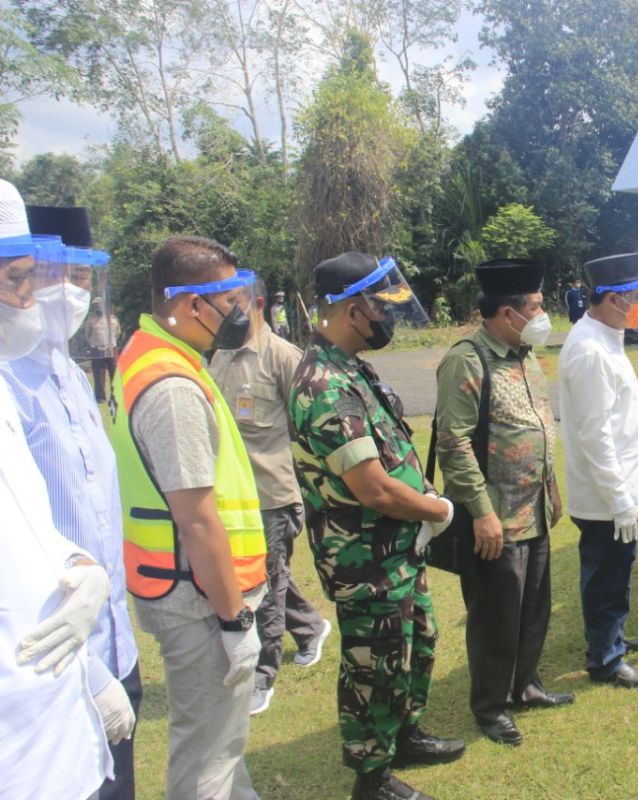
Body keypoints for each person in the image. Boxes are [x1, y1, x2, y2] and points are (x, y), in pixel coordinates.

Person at [289, 252, 462, 800]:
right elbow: (375, 489)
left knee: (417, 643)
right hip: (366, 559)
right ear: (352, 308)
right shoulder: (324, 384)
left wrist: (425, 497)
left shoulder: (350, 366)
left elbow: (391, 456)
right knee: (375, 665)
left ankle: (404, 735)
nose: (388, 319)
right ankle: (372, 777)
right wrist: (438, 510)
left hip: (397, 550)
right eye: (381, 309)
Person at [109, 235, 268, 799]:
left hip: (186, 591)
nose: (239, 311)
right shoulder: (173, 386)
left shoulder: (153, 357)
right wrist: (235, 621)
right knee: (206, 759)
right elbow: (197, 520)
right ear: (188, 305)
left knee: (223, 748)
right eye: (227, 298)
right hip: (199, 603)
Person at [1, 203, 140, 800]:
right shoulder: (12, 381)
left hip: (109, 632)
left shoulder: (73, 374)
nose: (67, 294)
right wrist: (88, 665)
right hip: (53, 657)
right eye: (26, 278)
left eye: (87, 279)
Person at [434, 258, 571, 747]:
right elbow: (454, 444)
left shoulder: (524, 353)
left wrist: (550, 488)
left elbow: (537, 423)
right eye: (534, 306)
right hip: (494, 519)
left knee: (533, 606)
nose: (542, 313)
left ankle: (526, 684)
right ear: (506, 313)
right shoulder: (467, 360)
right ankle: (490, 707)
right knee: (496, 617)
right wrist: (483, 514)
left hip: (531, 508)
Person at [210, 279, 332, 716]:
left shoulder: (283, 356)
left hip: (272, 495)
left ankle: (264, 676)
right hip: (230, 500)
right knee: (266, 575)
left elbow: (314, 426)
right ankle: (311, 627)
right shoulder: (219, 355)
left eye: (232, 303)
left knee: (267, 586)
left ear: (256, 304)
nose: (223, 312)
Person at [559, 252, 638, 690]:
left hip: (619, 486)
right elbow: (594, 435)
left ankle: (611, 638)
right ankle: (605, 658)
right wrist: (619, 500)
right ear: (615, 300)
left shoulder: (606, 336)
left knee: (617, 571)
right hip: (605, 495)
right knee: (605, 576)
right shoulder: (590, 350)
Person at [85, 296, 121, 402]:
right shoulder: (91, 321)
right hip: (97, 349)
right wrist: (94, 344)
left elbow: (118, 333)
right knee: (98, 375)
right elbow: (87, 336)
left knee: (115, 374)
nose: (98, 308)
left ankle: (116, 396)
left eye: (100, 305)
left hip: (111, 349)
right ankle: (100, 397)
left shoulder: (113, 319)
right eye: (96, 306)